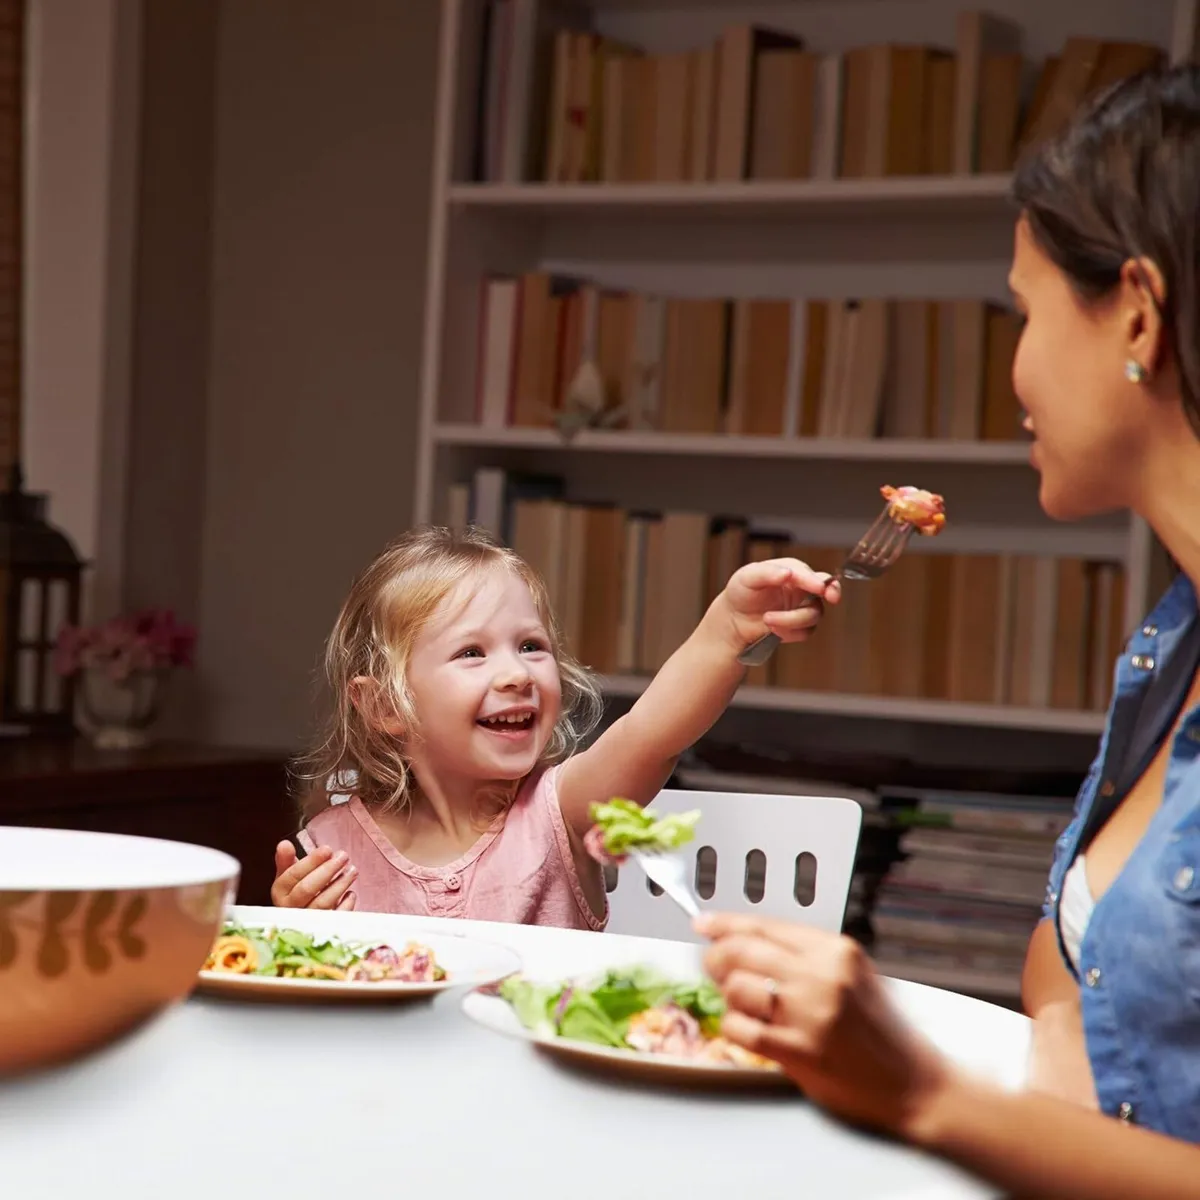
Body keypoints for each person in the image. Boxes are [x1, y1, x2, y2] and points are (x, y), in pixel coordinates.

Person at [700, 60, 1200, 1198]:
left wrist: (921, 1096)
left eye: (1023, 314)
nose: (1013, 372)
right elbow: (1073, 989)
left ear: (1137, 309)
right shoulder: (1171, 650)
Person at [270, 523, 837, 927]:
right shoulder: (330, 846)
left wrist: (727, 631)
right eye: (472, 653)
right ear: (385, 707)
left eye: (530, 646)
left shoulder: (561, 811)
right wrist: (296, 925)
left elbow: (652, 733)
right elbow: (309, 988)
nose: (515, 673)